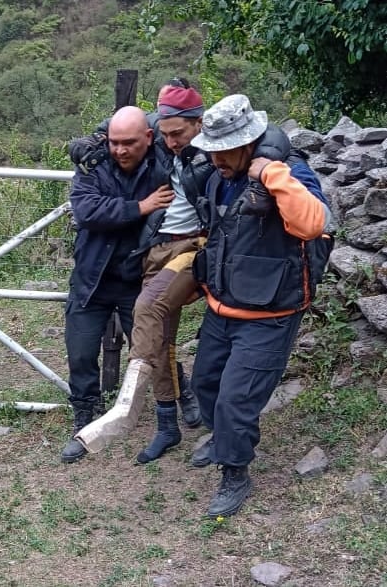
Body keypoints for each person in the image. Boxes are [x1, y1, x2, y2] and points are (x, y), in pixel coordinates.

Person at [187, 94, 332, 518]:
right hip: (223, 306)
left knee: (235, 400)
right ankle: (222, 438)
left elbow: (314, 223)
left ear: (248, 142)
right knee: (206, 385)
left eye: (222, 150)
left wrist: (273, 174)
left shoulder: (290, 172)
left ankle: (235, 471)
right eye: (210, 150)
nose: (214, 159)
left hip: (271, 314)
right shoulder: (219, 174)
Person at [74, 82, 214, 463]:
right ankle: (167, 425)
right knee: (162, 339)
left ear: (200, 124)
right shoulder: (163, 141)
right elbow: (125, 127)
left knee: (147, 309)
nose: (170, 142)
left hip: (190, 246)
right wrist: (92, 140)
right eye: (165, 135)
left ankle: (124, 410)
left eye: (178, 134)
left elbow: (268, 144)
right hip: (154, 250)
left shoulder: (215, 151)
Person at [61, 105, 173, 464]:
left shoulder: (163, 165)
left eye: (129, 143)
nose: (120, 150)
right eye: (114, 142)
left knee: (152, 347)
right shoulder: (92, 166)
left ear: (148, 138)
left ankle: (172, 406)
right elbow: (87, 212)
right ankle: (86, 413)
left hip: (136, 278)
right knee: (80, 352)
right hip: (91, 279)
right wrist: (140, 207)